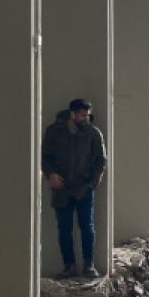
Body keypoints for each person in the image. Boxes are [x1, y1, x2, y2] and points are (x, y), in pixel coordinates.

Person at [41, 98, 107, 279]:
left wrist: (92, 183)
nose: (85, 118)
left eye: (87, 115)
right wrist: (51, 175)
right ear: (72, 114)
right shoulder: (54, 132)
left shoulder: (93, 134)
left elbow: (101, 161)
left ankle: (88, 265)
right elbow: (45, 157)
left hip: (84, 188)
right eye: (82, 115)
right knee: (64, 228)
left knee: (87, 227)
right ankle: (68, 266)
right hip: (61, 188)